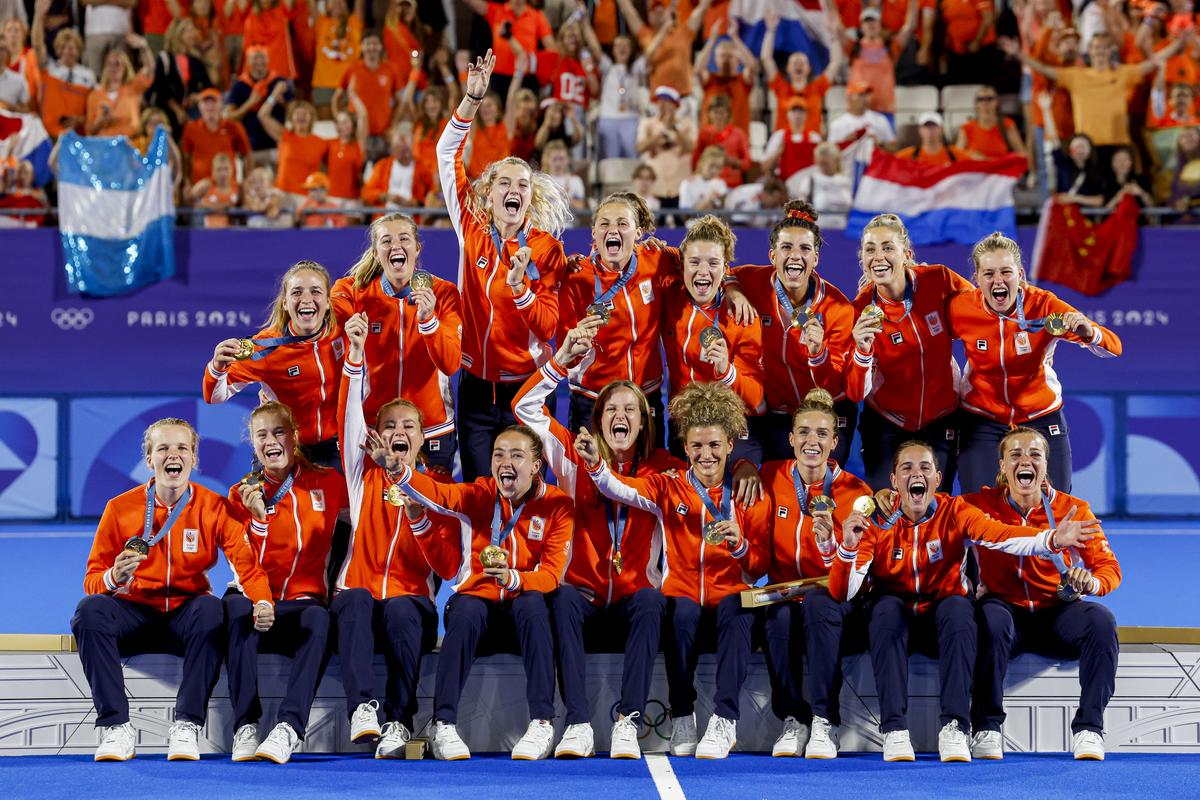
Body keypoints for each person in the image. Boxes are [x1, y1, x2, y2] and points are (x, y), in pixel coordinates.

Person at [830, 439, 1102, 762]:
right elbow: (842, 592)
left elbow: (1001, 535)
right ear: (893, 482)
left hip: (942, 623)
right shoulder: (875, 522)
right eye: (907, 468)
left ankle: (956, 727)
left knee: (960, 608)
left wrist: (1051, 539)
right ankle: (894, 730)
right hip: (896, 621)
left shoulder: (955, 511)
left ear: (937, 478)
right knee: (884, 609)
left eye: (924, 468)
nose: (916, 474)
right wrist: (847, 547)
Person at [513, 326, 682, 758]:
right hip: (585, 597)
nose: (620, 415)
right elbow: (525, 408)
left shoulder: (664, 469)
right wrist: (560, 363)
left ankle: (628, 721)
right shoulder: (572, 455)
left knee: (651, 601)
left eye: (631, 408)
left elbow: (628, 489)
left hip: (631, 601)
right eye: (610, 409)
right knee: (564, 598)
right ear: (598, 419)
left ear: (643, 422)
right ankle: (578, 723)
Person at [576, 380, 769, 759]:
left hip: (730, 597)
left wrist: (740, 545)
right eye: (697, 446)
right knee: (679, 612)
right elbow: (621, 488)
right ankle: (682, 714)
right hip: (684, 596)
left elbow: (759, 565)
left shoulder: (747, 492)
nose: (706, 455)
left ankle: (725, 720)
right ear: (685, 447)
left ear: (731, 445)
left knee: (742, 607)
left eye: (715, 445)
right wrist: (596, 465)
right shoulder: (669, 486)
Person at [72, 418, 274, 762]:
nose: (173, 455)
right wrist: (113, 578)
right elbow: (93, 579)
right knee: (88, 611)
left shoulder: (215, 508)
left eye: (182, 448)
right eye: (162, 448)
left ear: (194, 458)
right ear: (149, 460)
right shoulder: (120, 508)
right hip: (135, 611)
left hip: (187, 615)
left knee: (212, 609)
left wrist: (263, 601)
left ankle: (187, 724)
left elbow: (246, 565)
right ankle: (116, 726)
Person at [386, 424, 573, 761]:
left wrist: (513, 579)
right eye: (499, 454)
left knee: (532, 604)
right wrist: (400, 472)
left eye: (517, 455)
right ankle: (443, 723)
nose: (505, 462)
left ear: (536, 465)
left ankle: (542, 721)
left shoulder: (557, 505)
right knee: (466, 607)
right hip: (477, 616)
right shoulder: (479, 494)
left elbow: (550, 576)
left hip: (522, 620)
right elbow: (440, 496)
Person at [436, 50, 570, 481]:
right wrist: (471, 101)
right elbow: (446, 155)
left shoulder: (546, 249)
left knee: (527, 498)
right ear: (489, 193)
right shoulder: (471, 227)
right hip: (476, 388)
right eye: (505, 183)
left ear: (531, 197)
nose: (514, 190)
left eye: (523, 185)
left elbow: (550, 325)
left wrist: (521, 289)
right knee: (479, 490)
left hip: (526, 390)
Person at [331, 312, 455, 758]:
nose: (398, 432)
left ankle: (400, 721)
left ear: (423, 439)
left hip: (410, 609)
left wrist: (422, 516)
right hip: (358, 601)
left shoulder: (440, 491)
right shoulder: (361, 477)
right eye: (389, 426)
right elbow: (348, 414)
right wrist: (357, 355)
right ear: (375, 438)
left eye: (408, 427)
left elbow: (450, 566)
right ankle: (363, 707)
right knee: (357, 597)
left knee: (404, 610)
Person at [964, 427, 1121, 761]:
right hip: (1005, 613)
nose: (1026, 460)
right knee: (988, 617)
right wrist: (888, 500)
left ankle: (1090, 729)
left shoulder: (1074, 509)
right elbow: (931, 509)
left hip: (1057, 613)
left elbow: (1109, 569)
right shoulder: (978, 505)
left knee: (1101, 621)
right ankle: (987, 727)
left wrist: (1088, 583)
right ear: (1003, 466)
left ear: (1046, 464)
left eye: (1035, 454)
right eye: (1016, 455)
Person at [948, 232, 1121, 494]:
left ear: (1020, 275)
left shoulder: (1043, 305)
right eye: (989, 273)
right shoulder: (961, 307)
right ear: (977, 278)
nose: (998, 280)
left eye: (1006, 272)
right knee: (978, 508)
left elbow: (1114, 346)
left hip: (1040, 416)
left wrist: (1089, 333)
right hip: (982, 418)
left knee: (1057, 501)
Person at [223, 402, 343, 763]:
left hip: (302, 600)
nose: (271, 441)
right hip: (254, 597)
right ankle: (246, 724)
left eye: (279, 432)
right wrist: (258, 520)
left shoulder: (328, 482)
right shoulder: (240, 494)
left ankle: (288, 728)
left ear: (295, 437)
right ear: (254, 445)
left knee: (320, 620)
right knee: (232, 609)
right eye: (262, 435)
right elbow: (242, 561)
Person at [759, 388, 872, 758]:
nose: (812, 441)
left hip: (836, 596)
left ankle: (825, 720)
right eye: (804, 432)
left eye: (822, 433)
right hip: (784, 595)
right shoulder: (768, 477)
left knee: (820, 604)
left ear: (835, 442)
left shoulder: (856, 494)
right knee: (776, 617)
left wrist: (830, 547)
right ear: (790, 438)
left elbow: (850, 578)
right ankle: (793, 718)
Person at [845, 213, 972, 490]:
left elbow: (983, 311)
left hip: (942, 418)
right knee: (888, 510)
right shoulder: (860, 311)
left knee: (935, 508)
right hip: (887, 424)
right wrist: (862, 351)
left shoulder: (939, 279)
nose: (878, 256)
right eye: (870, 249)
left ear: (907, 254)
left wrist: (1032, 334)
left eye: (888, 247)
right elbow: (855, 393)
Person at [331, 214, 463, 470]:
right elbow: (315, 316)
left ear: (417, 248)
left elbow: (450, 364)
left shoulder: (443, 293)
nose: (396, 246)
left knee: (430, 509)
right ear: (376, 252)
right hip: (378, 431)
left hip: (433, 429)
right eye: (386, 241)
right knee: (379, 509)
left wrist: (428, 322)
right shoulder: (356, 293)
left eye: (404, 238)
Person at [730, 201, 855, 464]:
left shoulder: (839, 307)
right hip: (777, 412)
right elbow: (722, 272)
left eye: (805, 249)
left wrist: (818, 353)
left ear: (816, 258)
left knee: (820, 485)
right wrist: (733, 289)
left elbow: (833, 385)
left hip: (827, 408)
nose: (795, 255)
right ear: (772, 255)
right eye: (786, 247)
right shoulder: (753, 281)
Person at [203, 260, 344, 467]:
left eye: (315, 291)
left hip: (335, 448)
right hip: (285, 450)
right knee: (257, 499)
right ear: (285, 303)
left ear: (328, 301)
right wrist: (217, 367)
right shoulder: (267, 347)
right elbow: (215, 396)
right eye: (296, 292)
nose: (306, 299)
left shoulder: (344, 326)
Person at [662, 215, 765, 461]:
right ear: (682, 265)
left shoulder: (741, 315)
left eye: (713, 263)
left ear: (725, 267)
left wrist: (726, 371)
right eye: (694, 262)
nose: (703, 271)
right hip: (683, 426)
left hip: (730, 428)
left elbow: (759, 402)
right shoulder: (669, 298)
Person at [761, 5, 842, 134]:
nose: (798, 64)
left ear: (809, 68)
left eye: (802, 62)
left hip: (811, 143)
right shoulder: (780, 87)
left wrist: (833, 36)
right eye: (794, 62)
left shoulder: (817, 87)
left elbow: (835, 63)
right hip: (785, 145)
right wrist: (770, 31)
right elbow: (766, 59)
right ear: (787, 68)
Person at [258, 84, 328, 205]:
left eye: (305, 114)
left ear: (311, 118)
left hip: (307, 198)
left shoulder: (322, 143)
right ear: (291, 118)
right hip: (282, 195)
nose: (301, 117)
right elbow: (262, 115)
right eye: (297, 114)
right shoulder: (284, 135)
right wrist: (274, 94)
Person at [636, 85, 696, 208]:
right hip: (656, 186)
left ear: (675, 105)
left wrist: (676, 129)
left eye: (666, 101)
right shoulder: (647, 124)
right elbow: (640, 148)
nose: (661, 105)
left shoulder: (686, 124)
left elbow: (691, 147)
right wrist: (663, 130)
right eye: (659, 101)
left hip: (680, 186)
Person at [694, 20, 757, 134]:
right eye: (722, 56)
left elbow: (752, 66)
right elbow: (698, 69)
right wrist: (712, 41)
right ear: (715, 59)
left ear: (738, 60)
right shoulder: (710, 79)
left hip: (737, 142)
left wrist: (735, 38)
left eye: (730, 56)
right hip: (711, 141)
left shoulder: (743, 80)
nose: (726, 60)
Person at [85, 35, 154, 137]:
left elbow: (149, 69)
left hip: (130, 142)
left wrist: (144, 47)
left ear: (125, 67)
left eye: (117, 64)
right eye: (110, 64)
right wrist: (100, 121)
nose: (113, 68)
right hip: (104, 144)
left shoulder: (133, 88)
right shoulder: (94, 95)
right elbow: (89, 130)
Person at [181, 87, 251, 187]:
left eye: (213, 103)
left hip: (228, 187)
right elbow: (186, 157)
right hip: (201, 187)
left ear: (221, 105)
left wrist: (246, 180)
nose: (210, 107)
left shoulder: (233, 126)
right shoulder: (191, 128)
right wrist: (187, 182)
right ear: (200, 106)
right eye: (206, 103)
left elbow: (247, 154)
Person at [593, 33, 645, 159]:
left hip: (631, 118)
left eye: (626, 45)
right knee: (609, 160)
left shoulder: (636, 68)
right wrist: (584, 23)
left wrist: (664, 30)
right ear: (613, 49)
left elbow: (650, 53)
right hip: (608, 117)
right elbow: (595, 47)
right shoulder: (607, 66)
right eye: (618, 45)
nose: (622, 48)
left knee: (632, 159)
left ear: (631, 49)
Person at [361, 124, 435, 210]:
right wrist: (386, 196)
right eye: (399, 148)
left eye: (406, 148)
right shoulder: (382, 166)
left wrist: (416, 203)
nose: (403, 152)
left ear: (412, 146)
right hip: (386, 217)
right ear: (392, 149)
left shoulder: (423, 168)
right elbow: (366, 193)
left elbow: (432, 196)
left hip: (412, 218)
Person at [761, 98, 822, 186]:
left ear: (806, 115)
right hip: (783, 183)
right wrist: (778, 152)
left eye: (801, 112)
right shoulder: (779, 136)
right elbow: (764, 167)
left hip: (807, 183)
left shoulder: (814, 137)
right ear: (787, 114)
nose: (797, 115)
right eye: (794, 111)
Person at [693, 95, 750, 189]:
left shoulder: (738, 134)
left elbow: (747, 163)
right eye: (715, 112)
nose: (719, 116)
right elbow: (696, 161)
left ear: (728, 113)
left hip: (733, 184)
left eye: (722, 112)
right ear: (709, 113)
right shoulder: (704, 134)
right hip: (709, 185)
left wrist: (733, 162)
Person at [956, 86, 1027, 159]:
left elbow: (1022, 153)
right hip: (977, 169)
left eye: (989, 99)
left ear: (997, 102)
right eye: (980, 99)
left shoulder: (1007, 124)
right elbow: (957, 155)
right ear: (976, 104)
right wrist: (970, 155)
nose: (985, 103)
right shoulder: (966, 128)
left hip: (1001, 168)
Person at [792, 142, 852, 228]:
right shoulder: (810, 181)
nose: (824, 167)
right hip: (819, 232)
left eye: (826, 163)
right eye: (822, 164)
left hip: (843, 231)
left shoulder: (846, 181)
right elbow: (800, 210)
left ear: (835, 161)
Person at [188, 151, 240, 227]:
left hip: (230, 231)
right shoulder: (205, 185)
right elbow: (191, 202)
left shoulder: (238, 188)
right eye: (219, 169)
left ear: (232, 169)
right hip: (208, 230)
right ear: (213, 171)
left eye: (226, 169)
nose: (223, 173)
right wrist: (215, 207)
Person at [895, 113, 970, 165]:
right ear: (920, 130)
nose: (930, 130)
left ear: (941, 129)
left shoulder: (956, 155)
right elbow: (890, 164)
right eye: (926, 126)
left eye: (934, 126)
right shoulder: (907, 156)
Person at [678, 146, 729, 212]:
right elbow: (685, 215)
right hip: (695, 222)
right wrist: (707, 200)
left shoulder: (721, 184)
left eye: (719, 167)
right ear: (702, 162)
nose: (714, 171)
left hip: (715, 222)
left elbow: (723, 213)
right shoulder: (688, 183)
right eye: (711, 165)